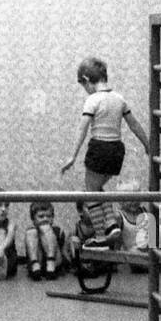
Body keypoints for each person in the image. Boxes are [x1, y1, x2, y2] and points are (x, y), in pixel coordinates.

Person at [61, 56, 150, 247]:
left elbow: (82, 128)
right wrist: (147, 144)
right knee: (98, 189)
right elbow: (134, 124)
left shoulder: (93, 100)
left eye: (83, 85)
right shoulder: (119, 98)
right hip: (117, 151)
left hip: (100, 148)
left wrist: (73, 156)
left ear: (86, 80)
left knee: (90, 192)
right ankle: (111, 225)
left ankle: (101, 235)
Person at [23, 201, 66, 281]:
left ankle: (50, 263)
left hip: (55, 263)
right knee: (30, 232)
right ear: (33, 219)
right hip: (37, 263)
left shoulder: (57, 231)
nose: (45, 219)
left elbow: (63, 252)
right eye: (41, 216)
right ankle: (35, 265)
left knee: (47, 230)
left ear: (53, 218)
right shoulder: (32, 232)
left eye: (48, 216)